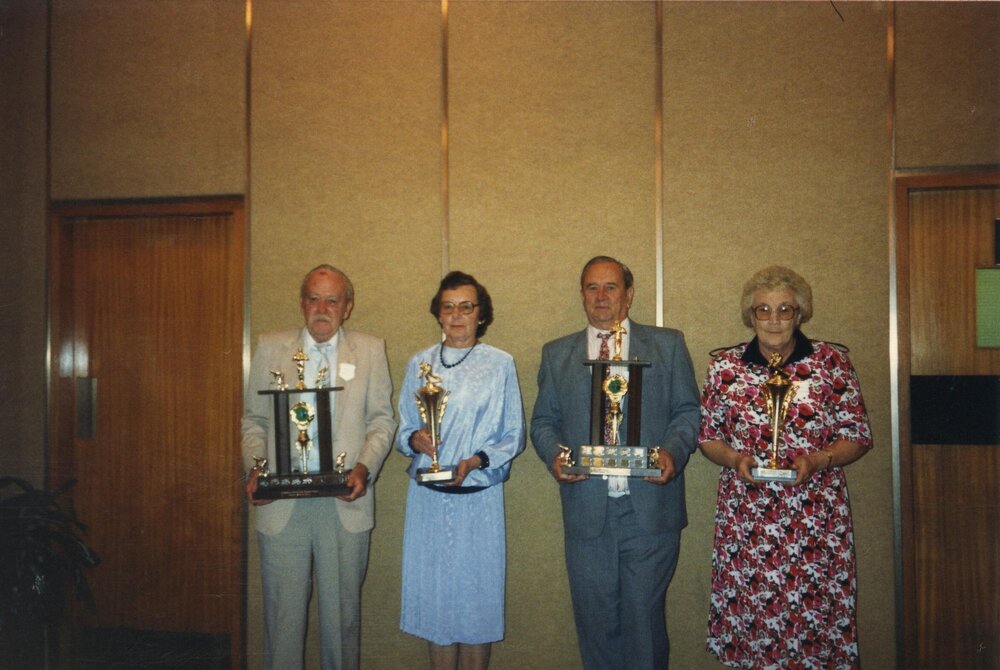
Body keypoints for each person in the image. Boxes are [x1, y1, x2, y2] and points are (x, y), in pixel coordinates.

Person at [698, 265, 873, 669]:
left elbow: (858, 435)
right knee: (753, 625)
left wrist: (818, 460)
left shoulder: (831, 363)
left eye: (784, 309)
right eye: (763, 309)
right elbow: (708, 437)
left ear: (800, 314)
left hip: (815, 521)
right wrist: (733, 458)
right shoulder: (724, 368)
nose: (774, 319)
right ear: (750, 315)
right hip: (748, 521)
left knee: (812, 629)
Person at [530, 256, 700, 670]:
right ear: (582, 295)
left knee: (643, 622)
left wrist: (672, 452)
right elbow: (543, 422)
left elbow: (688, 412)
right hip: (588, 512)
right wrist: (556, 457)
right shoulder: (557, 355)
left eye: (610, 287)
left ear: (629, 294)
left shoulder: (667, 344)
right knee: (595, 623)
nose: (601, 296)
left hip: (649, 512)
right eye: (592, 287)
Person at [241, 264, 396, 670]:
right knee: (282, 621)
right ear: (301, 303)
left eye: (332, 299)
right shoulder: (269, 347)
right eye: (313, 298)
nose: (322, 308)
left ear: (347, 307)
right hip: (282, 505)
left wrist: (364, 467)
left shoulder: (370, 349)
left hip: (344, 503)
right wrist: (256, 467)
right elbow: (254, 421)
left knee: (341, 622)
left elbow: (382, 421)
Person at [397, 271, 526, 670]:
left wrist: (476, 461)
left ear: (481, 314)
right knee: (437, 607)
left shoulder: (500, 363)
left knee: (476, 608)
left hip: (478, 500)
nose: (456, 315)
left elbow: (513, 433)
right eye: (448, 307)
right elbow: (403, 426)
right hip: (429, 502)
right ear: (438, 313)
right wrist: (414, 440)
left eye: (466, 307)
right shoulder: (419, 363)